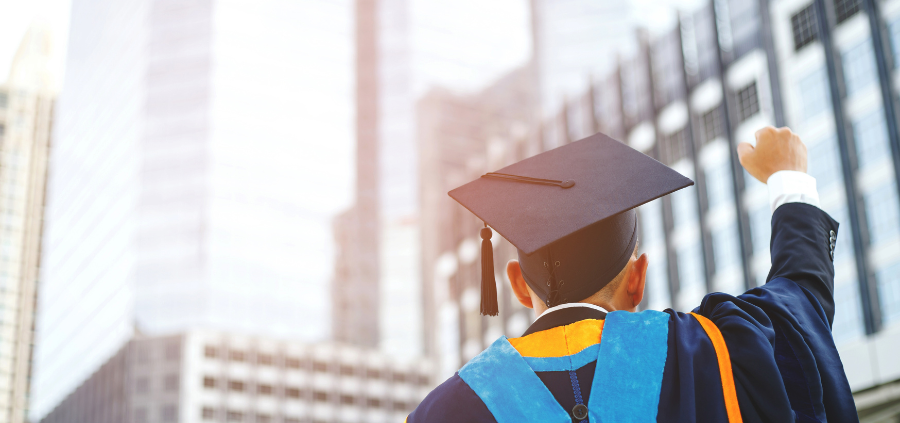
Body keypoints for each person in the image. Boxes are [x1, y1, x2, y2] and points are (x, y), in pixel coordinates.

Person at [406, 127, 858, 422]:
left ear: (518, 285)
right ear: (637, 278)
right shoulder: (716, 350)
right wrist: (789, 178)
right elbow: (800, 298)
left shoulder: (444, 411)